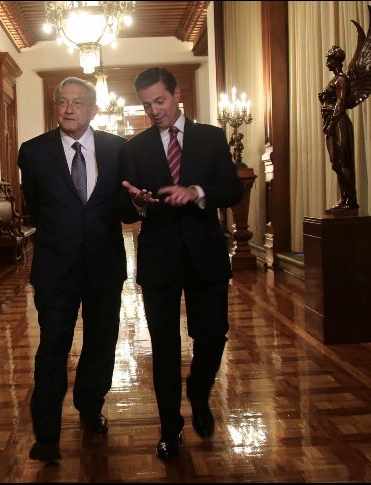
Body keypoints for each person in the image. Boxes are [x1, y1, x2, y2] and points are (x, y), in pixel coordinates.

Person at [119, 67, 243, 460]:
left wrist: (197, 192)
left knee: (212, 337)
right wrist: (137, 201)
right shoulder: (135, 148)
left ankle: (200, 390)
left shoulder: (211, 137)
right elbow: (126, 202)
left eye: (160, 100)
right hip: (159, 258)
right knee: (165, 348)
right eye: (146, 104)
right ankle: (170, 428)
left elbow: (233, 189)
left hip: (205, 254)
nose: (154, 110)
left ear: (176, 96)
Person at [18, 77, 128, 462]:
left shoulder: (118, 149)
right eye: (63, 102)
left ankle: (89, 405)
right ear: (56, 106)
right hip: (55, 268)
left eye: (78, 102)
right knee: (51, 350)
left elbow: (124, 208)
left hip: (104, 265)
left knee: (100, 345)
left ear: (93, 109)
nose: (69, 109)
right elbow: (36, 206)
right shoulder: (32, 153)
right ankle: (46, 435)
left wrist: (143, 206)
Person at [319, 45, 357, 210]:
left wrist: (332, 123)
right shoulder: (333, 80)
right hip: (330, 122)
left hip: (339, 122)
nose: (327, 61)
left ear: (336, 61)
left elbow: (340, 103)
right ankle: (344, 198)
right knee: (335, 163)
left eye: (329, 58)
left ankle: (351, 199)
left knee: (343, 161)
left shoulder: (341, 79)